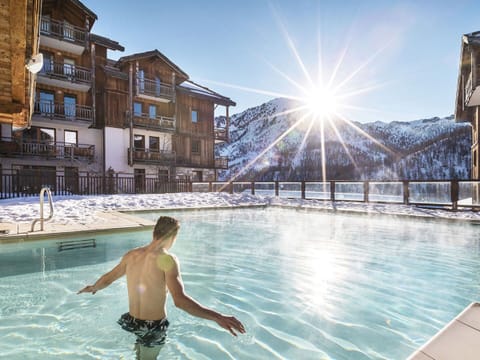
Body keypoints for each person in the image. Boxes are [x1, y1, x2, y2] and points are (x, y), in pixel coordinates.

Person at [78, 216, 245, 359]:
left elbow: (109, 278)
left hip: (131, 321)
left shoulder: (132, 255)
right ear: (173, 237)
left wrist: (93, 287)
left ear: (154, 233)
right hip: (153, 327)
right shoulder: (168, 260)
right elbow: (179, 301)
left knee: (140, 354)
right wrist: (218, 317)